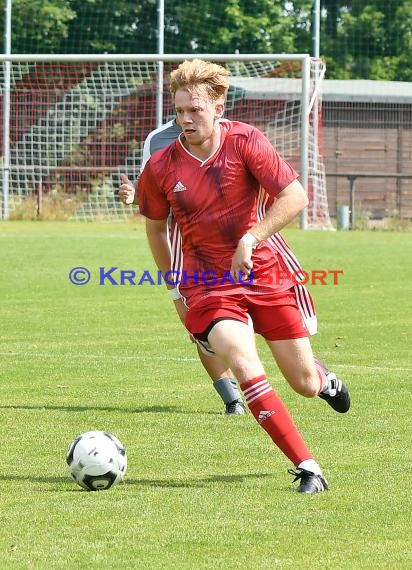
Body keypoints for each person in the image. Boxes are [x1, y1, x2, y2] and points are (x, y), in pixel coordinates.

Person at [121, 59, 350, 493]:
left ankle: (324, 379)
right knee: (244, 364)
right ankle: (308, 467)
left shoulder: (247, 142)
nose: (185, 120)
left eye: (196, 110)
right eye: (179, 110)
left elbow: (295, 196)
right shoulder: (162, 166)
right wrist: (173, 281)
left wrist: (252, 237)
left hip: (265, 273)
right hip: (207, 286)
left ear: (219, 107)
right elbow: (154, 225)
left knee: (302, 383)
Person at [122, 118, 247, 416]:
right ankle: (233, 400)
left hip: (239, 244)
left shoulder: (238, 134)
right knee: (200, 323)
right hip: (188, 249)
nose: (187, 113)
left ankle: (306, 371)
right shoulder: (158, 140)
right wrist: (133, 196)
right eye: (181, 105)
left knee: (253, 318)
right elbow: (151, 194)